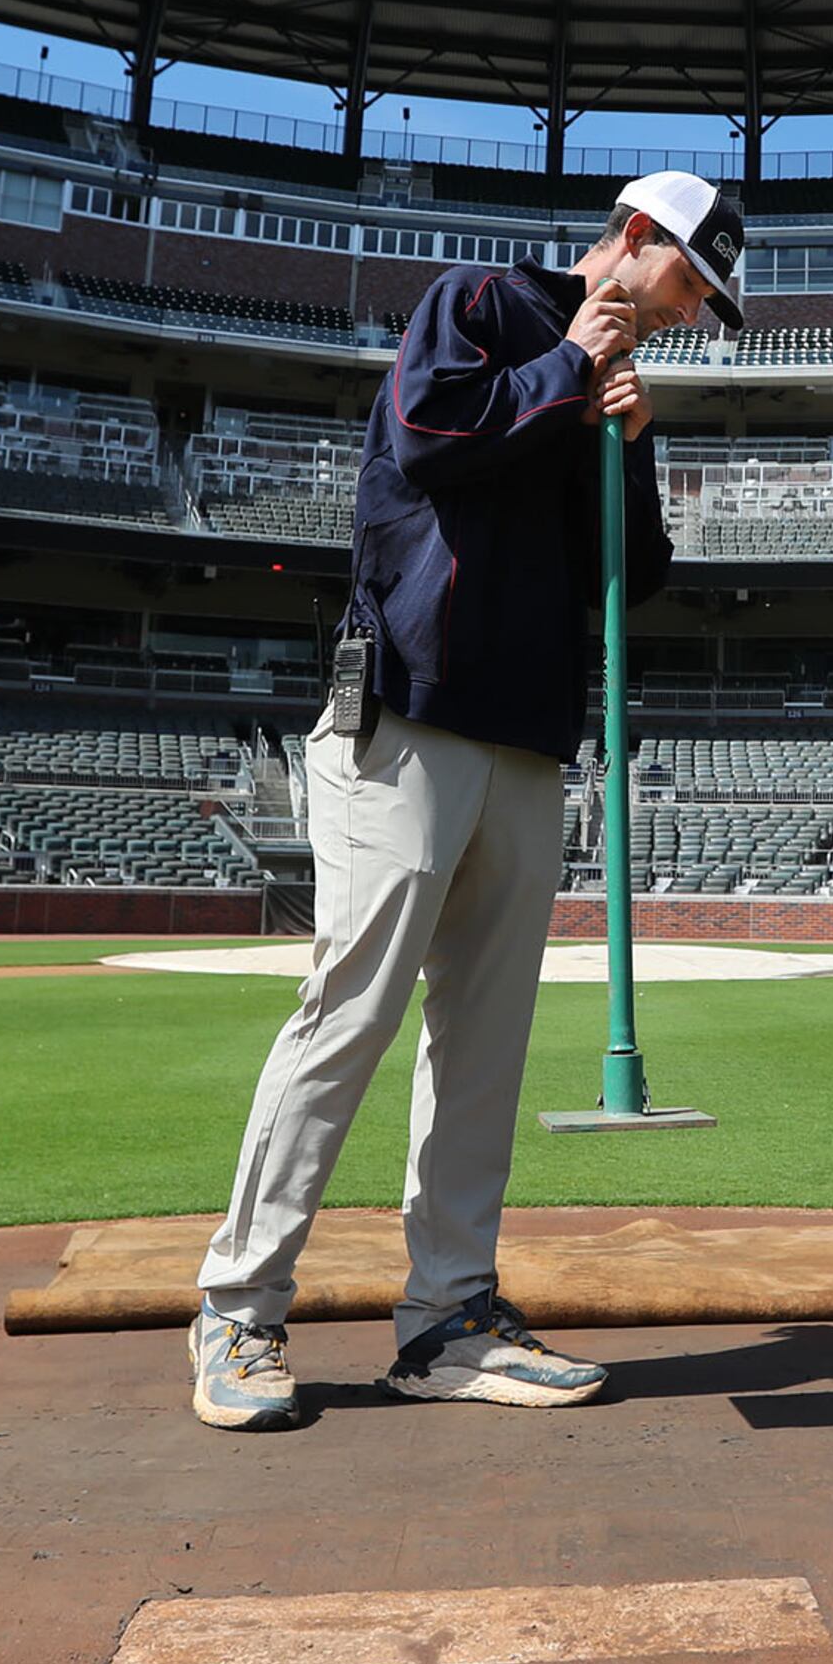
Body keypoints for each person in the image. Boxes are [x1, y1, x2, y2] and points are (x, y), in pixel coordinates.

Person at [184, 170, 738, 1433]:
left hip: (529, 738)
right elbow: (429, 439)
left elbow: (630, 578)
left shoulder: (610, 385)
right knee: (349, 1015)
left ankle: (447, 1317)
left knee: (483, 1050)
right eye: (688, 281)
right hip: (408, 715)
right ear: (638, 239)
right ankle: (238, 1309)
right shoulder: (483, 301)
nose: (691, 311)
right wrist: (563, 372)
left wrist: (627, 448)